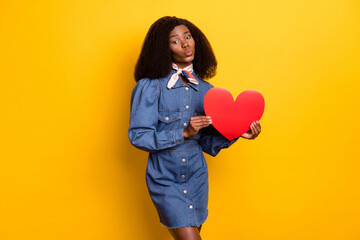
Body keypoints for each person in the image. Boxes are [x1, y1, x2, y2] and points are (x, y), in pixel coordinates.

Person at [128, 16, 261, 240]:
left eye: (188, 37)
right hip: (165, 177)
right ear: (163, 48)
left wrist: (239, 132)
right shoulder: (150, 86)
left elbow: (207, 142)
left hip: (197, 176)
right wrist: (183, 132)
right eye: (175, 41)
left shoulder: (208, 91)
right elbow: (139, 136)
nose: (185, 44)